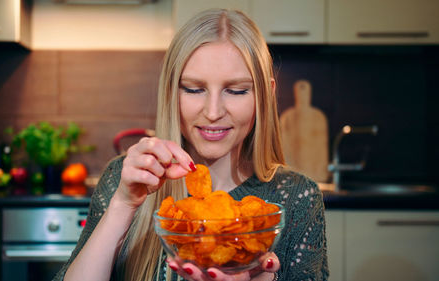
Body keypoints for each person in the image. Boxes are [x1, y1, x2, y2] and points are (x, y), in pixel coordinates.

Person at [53, 8, 328, 281]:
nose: (212, 111)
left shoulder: (299, 198)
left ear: (265, 94)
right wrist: (123, 205)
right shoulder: (125, 180)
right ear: (172, 91)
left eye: (236, 90)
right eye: (194, 89)